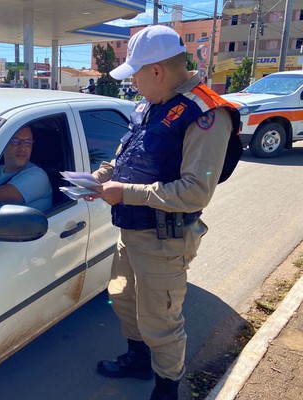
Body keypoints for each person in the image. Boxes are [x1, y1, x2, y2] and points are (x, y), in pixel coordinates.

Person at [87, 25, 240, 400]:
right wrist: (100, 176)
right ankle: (138, 361)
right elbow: (129, 158)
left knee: (161, 320)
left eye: (135, 75)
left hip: (165, 240)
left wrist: (124, 193)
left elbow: (195, 192)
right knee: (123, 297)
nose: (133, 84)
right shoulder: (151, 105)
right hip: (132, 231)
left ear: (156, 71)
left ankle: (167, 387)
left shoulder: (205, 114)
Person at [0, 126, 52, 222]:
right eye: (16, 142)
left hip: (4, 235)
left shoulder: (38, 177)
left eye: (28, 143)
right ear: (3, 145)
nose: (23, 148)